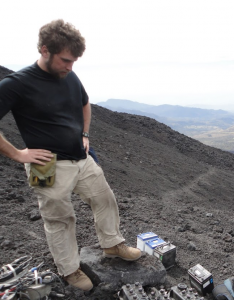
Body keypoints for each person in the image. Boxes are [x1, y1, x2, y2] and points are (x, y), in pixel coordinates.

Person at [0, 19, 141, 291]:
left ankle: (112, 244)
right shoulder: (16, 84)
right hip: (45, 165)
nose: (70, 66)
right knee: (59, 218)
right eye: (65, 60)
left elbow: (85, 104)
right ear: (44, 50)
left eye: (74, 61)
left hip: (81, 158)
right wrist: (18, 154)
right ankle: (70, 270)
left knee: (105, 199)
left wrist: (85, 135)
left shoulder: (69, 76)